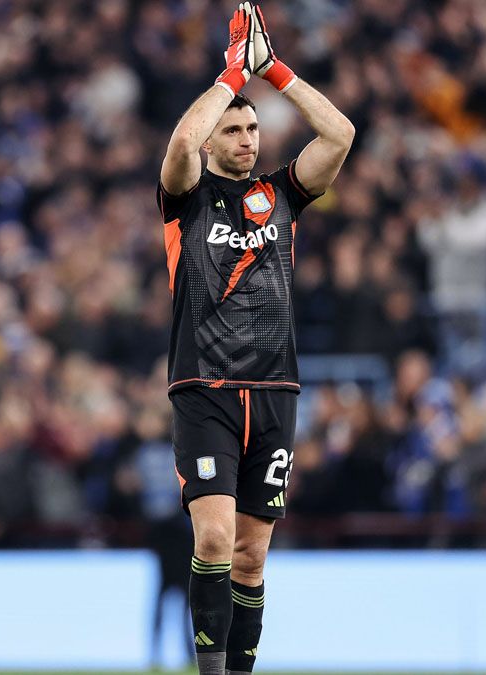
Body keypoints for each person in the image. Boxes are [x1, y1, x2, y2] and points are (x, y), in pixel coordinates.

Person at [156, 4, 353, 674]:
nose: (246, 138)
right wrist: (228, 75)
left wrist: (274, 71)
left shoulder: (282, 196)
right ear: (215, 138)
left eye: (252, 126)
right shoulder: (187, 196)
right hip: (203, 387)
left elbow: (340, 134)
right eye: (234, 129)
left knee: (252, 554)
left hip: (275, 388)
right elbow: (181, 149)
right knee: (212, 537)